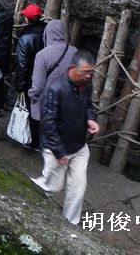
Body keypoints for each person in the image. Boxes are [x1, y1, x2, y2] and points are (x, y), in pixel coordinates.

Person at [31, 50, 99, 225]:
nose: (88, 76)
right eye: (85, 72)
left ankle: (71, 224)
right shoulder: (55, 90)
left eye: (91, 72)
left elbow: (88, 106)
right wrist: (59, 152)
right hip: (58, 148)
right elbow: (48, 125)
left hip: (79, 146)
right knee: (51, 186)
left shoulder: (87, 84)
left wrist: (90, 119)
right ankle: (26, 197)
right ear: (72, 68)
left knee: (77, 188)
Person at [28, 20, 77, 133]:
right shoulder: (74, 51)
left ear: (47, 33)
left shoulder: (42, 55)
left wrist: (32, 96)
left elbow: (38, 85)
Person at [13, 3, 46, 149]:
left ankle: (34, 141)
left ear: (26, 18)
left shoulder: (25, 38)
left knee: (32, 111)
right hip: (47, 78)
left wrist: (19, 86)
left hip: (30, 80)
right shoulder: (47, 33)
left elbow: (22, 65)